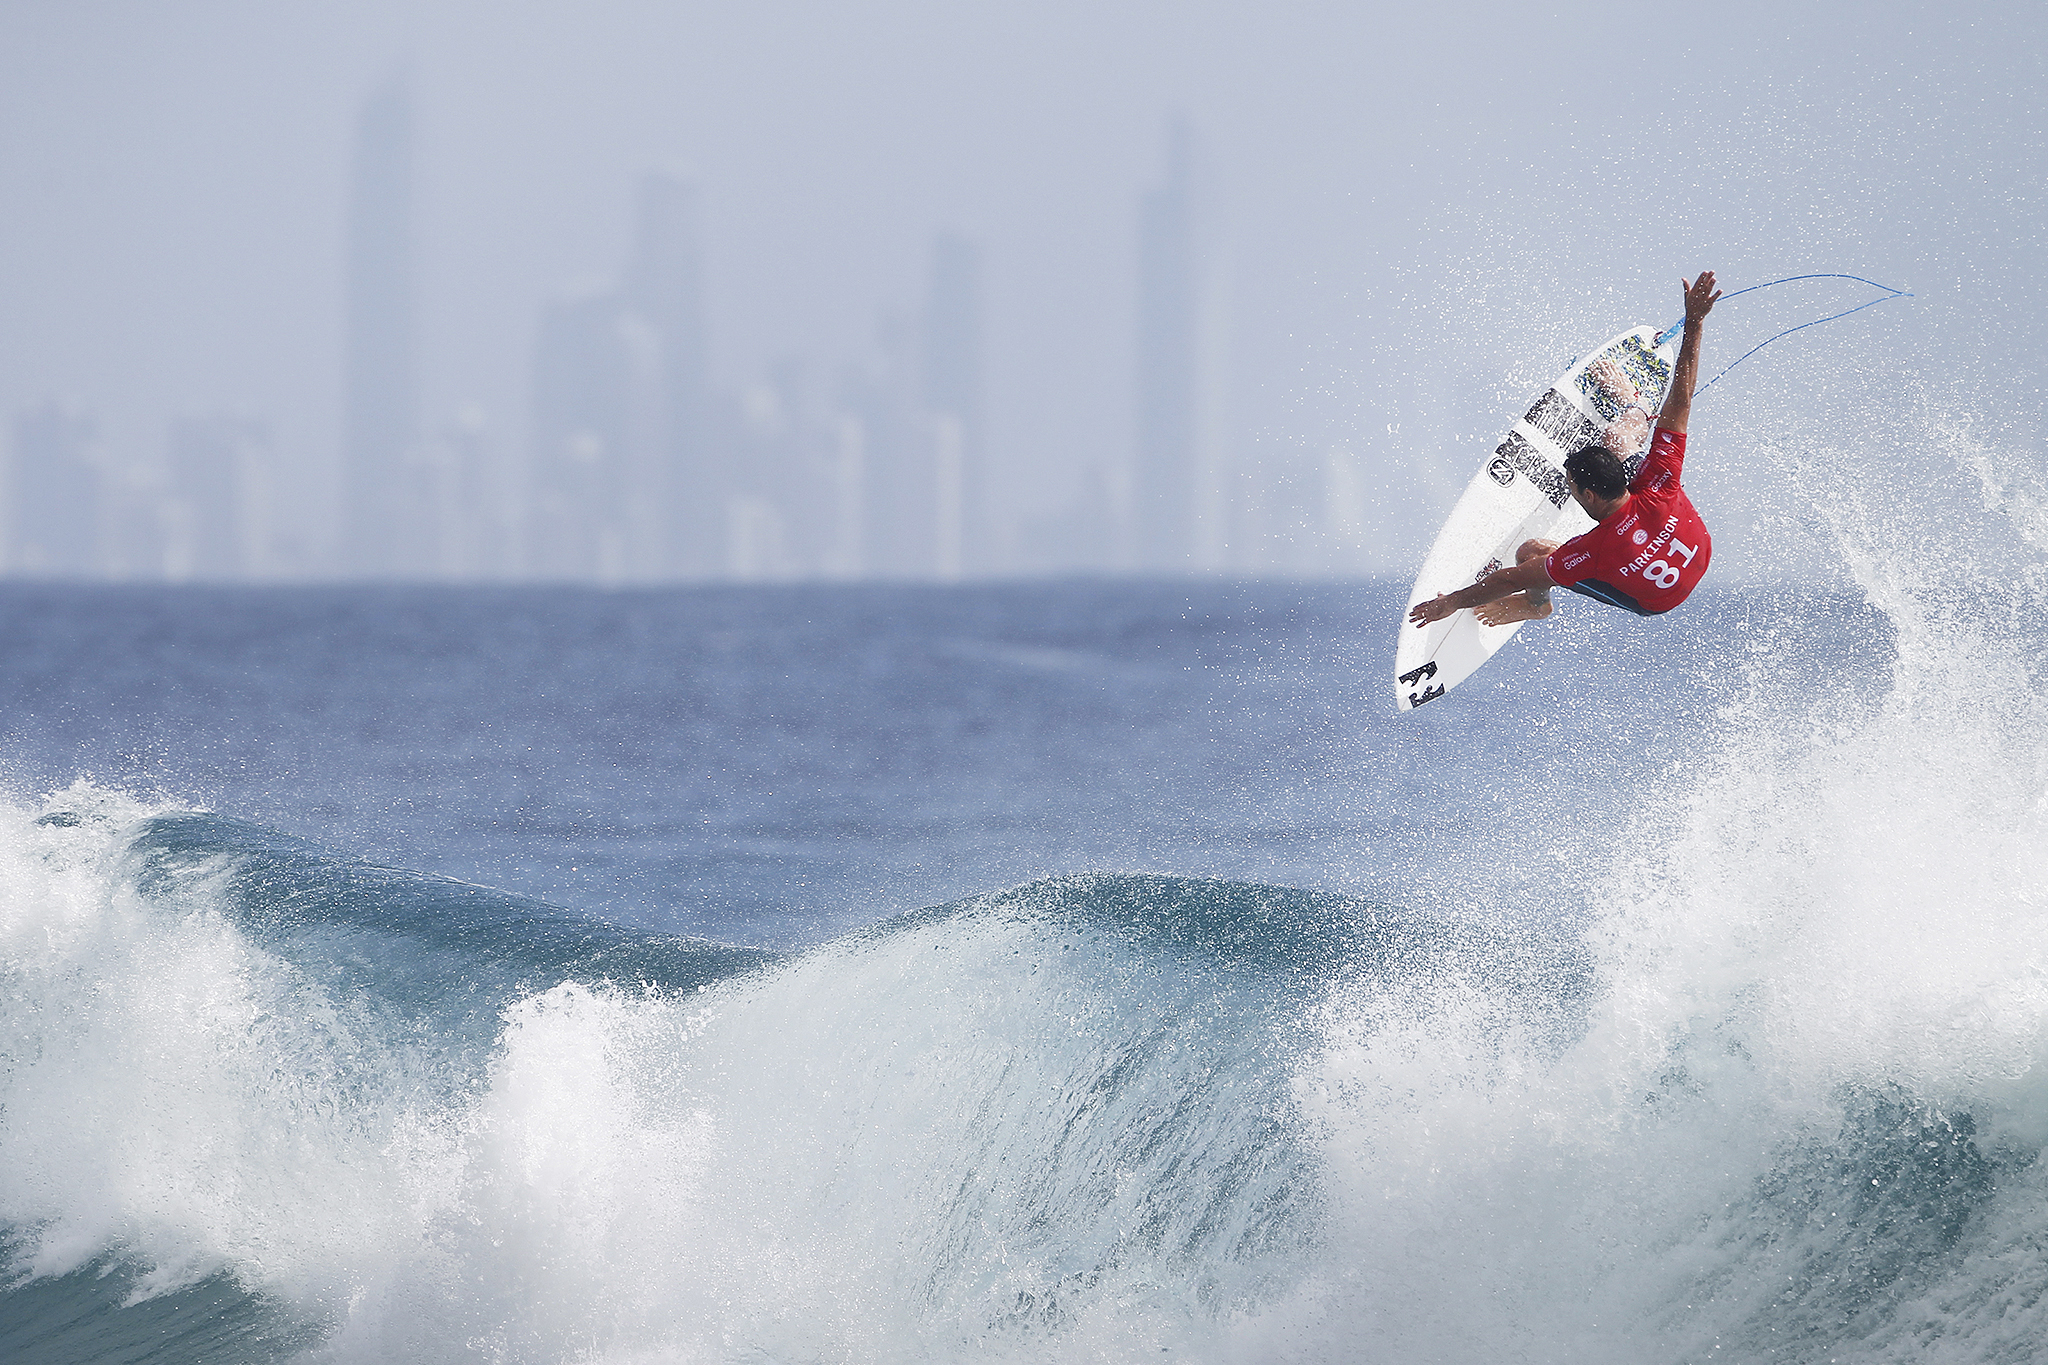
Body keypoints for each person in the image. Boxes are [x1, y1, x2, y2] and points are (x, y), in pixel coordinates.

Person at [1407, 271, 1722, 630]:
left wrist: (1450, 602)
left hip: (1657, 596)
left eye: (1570, 486)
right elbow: (1679, 404)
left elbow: (1515, 577)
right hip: (1698, 549)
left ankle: (1536, 607)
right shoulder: (1659, 483)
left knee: (1531, 555)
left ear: (1589, 493)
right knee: (1621, 439)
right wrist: (1694, 322)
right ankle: (1631, 404)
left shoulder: (1595, 553)